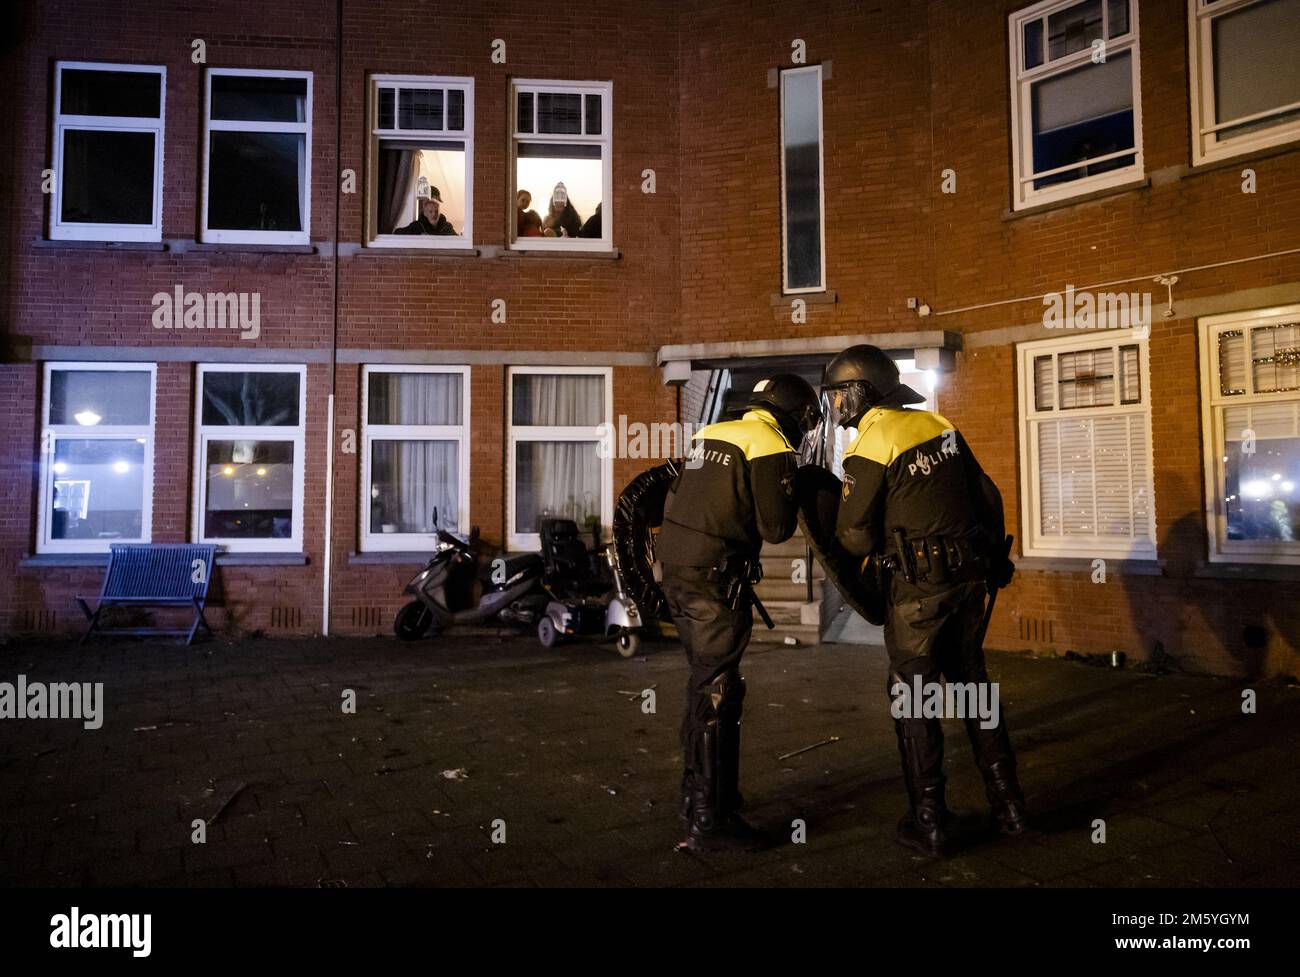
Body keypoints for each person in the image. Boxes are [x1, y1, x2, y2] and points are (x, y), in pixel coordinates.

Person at [823, 344, 1026, 857]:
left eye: (838, 395)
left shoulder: (871, 442)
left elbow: (853, 538)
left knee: (914, 701)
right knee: (974, 690)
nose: (835, 406)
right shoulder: (939, 424)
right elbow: (987, 492)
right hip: (967, 585)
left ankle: (930, 822)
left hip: (916, 595)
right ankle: (1010, 807)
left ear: (859, 392)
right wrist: (995, 561)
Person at [656, 374, 822, 851]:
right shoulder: (770, 443)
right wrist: (796, 484)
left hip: (677, 572)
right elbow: (775, 527)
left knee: (703, 680)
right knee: (719, 690)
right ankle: (711, 820)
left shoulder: (708, 433)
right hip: (715, 579)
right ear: (792, 413)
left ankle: (700, 794)